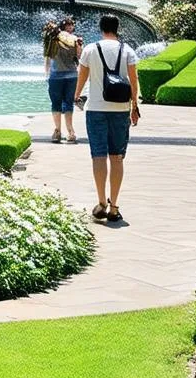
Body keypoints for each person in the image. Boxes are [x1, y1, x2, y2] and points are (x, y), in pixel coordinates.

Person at [73, 14, 140, 223]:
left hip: (96, 109)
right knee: (117, 157)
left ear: (101, 28)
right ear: (117, 28)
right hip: (120, 110)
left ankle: (101, 202)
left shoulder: (90, 49)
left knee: (98, 156)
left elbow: (82, 76)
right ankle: (114, 207)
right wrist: (134, 107)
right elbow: (133, 80)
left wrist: (76, 96)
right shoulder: (127, 50)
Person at [43, 17, 83, 143]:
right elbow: (79, 56)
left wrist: (46, 75)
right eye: (70, 25)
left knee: (56, 103)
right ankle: (70, 132)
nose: (71, 27)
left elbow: (47, 59)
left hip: (56, 76)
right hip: (71, 75)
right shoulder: (75, 39)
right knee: (68, 103)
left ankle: (58, 131)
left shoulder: (51, 39)